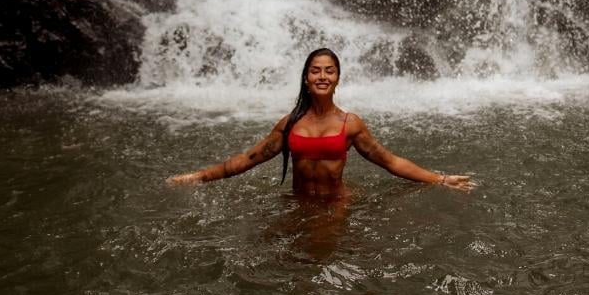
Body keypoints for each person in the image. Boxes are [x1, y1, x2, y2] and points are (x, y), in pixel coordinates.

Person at [166, 47, 473, 197]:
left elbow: (389, 161)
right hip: (299, 204)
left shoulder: (350, 124)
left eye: (329, 71)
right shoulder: (290, 125)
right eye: (316, 70)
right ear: (306, 77)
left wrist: (440, 179)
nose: (322, 76)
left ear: (337, 78)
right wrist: (198, 177)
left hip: (336, 207)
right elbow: (248, 159)